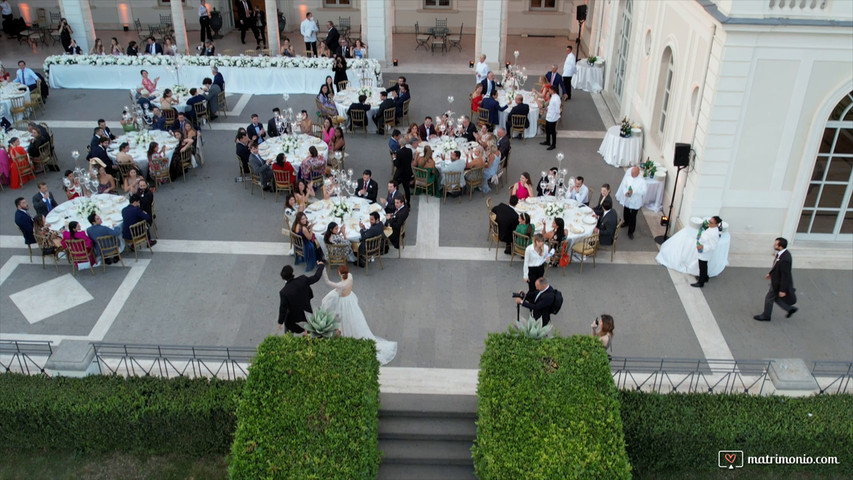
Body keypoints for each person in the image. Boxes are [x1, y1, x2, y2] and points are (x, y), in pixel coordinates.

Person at [320, 265, 397, 365]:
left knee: (343, 320)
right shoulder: (350, 277)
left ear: (339, 273)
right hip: (350, 300)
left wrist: (323, 270)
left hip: (344, 303)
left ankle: (344, 337)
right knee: (354, 319)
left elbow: (327, 282)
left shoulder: (341, 285)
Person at [754, 237, 798, 321]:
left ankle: (766, 316)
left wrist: (782, 290)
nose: (774, 245)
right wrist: (771, 273)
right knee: (775, 298)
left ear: (780, 246)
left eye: (776, 244)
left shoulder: (785, 259)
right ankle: (789, 309)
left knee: (769, 298)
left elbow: (785, 275)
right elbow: (777, 266)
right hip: (776, 281)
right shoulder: (781, 254)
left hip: (778, 283)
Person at [277, 262, 325, 334]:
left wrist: (280, 322)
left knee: (288, 327)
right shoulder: (303, 279)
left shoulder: (284, 292)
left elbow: (283, 308)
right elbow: (316, 277)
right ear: (292, 273)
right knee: (309, 329)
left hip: (294, 316)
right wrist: (321, 266)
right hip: (306, 311)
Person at [615, 166, 647, 240]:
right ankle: (626, 222)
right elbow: (624, 186)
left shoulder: (642, 181)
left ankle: (631, 232)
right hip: (628, 199)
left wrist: (634, 192)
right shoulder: (628, 178)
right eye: (632, 173)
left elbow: (644, 191)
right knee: (626, 211)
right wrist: (625, 192)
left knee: (633, 217)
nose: (632, 174)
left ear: (638, 173)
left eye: (634, 173)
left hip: (635, 201)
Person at [691, 216, 723, 288]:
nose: (709, 223)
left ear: (716, 224)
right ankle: (705, 277)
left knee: (702, 266)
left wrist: (703, 247)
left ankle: (701, 282)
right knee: (704, 265)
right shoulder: (711, 228)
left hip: (705, 252)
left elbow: (713, 246)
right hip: (703, 251)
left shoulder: (714, 234)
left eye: (711, 222)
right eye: (709, 221)